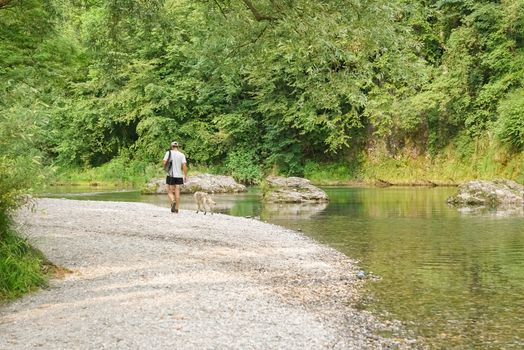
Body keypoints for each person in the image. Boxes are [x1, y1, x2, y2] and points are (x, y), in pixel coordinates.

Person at [163, 141, 188, 213]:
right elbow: (184, 166)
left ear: (171, 146)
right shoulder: (182, 154)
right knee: (177, 191)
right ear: (178, 147)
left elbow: (164, 162)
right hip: (179, 176)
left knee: (169, 191)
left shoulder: (168, 153)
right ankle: (177, 209)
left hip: (171, 175)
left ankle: (173, 201)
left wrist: (166, 167)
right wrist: (185, 175)